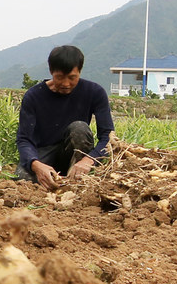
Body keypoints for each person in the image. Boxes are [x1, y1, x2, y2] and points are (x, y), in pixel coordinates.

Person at [14, 45, 114, 190]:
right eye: (59, 77)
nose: (66, 84)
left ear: (80, 71)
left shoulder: (95, 92)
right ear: (51, 72)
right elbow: (24, 139)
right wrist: (35, 164)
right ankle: (49, 176)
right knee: (24, 179)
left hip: (75, 154)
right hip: (45, 153)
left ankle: (77, 180)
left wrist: (89, 160)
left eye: (72, 78)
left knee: (79, 128)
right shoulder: (33, 96)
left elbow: (108, 137)